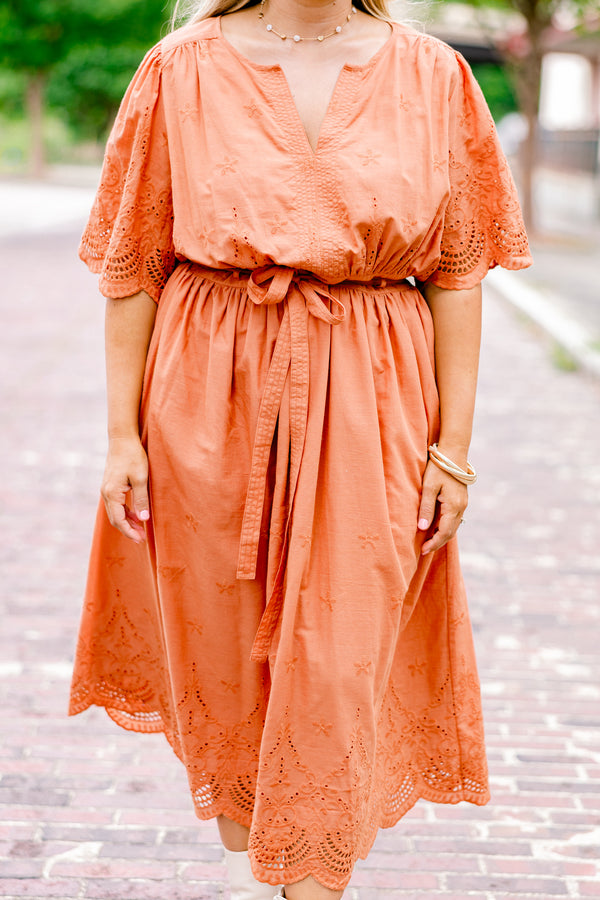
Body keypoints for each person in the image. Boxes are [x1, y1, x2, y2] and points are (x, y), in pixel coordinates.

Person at [69, 0, 532, 897]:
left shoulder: (435, 73)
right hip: (208, 396)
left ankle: (311, 878)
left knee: (339, 659)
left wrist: (454, 450)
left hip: (375, 394)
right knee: (230, 661)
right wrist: (120, 435)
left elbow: (458, 272)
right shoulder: (180, 67)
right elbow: (134, 266)